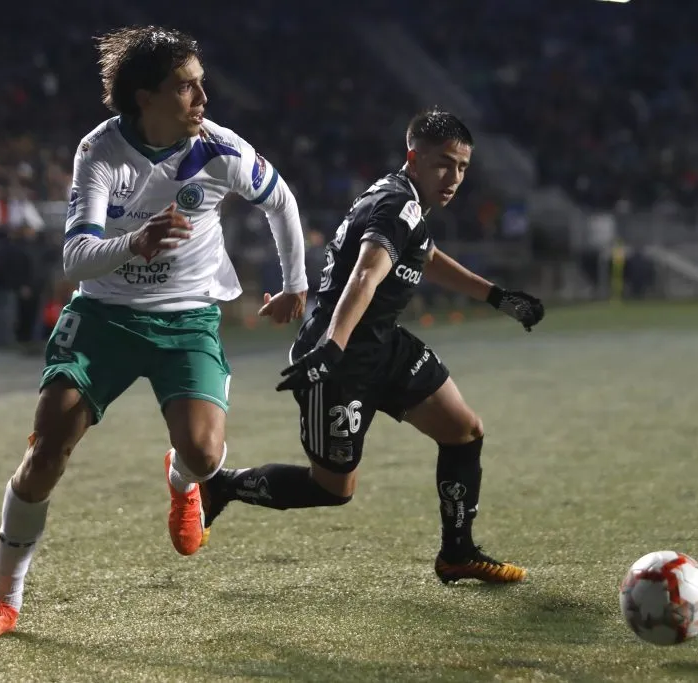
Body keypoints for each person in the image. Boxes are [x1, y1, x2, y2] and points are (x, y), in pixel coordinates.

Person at [0, 25, 308, 639]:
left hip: (187, 317)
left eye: (201, 84)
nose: (203, 98)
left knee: (205, 455)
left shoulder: (221, 149)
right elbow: (75, 259)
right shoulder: (100, 152)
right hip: (105, 316)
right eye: (186, 87)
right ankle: (3, 601)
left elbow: (280, 201)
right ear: (145, 97)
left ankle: (183, 480)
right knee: (47, 449)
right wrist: (135, 242)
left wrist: (295, 283)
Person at [193, 109, 544, 584]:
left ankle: (457, 553)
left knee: (464, 431)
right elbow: (366, 274)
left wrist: (496, 296)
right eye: (444, 164)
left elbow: (427, 257)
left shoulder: (408, 202)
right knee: (333, 489)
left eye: (462, 167)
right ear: (414, 159)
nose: (454, 178)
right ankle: (222, 485)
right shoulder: (397, 205)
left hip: (384, 344)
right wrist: (334, 346)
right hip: (337, 361)